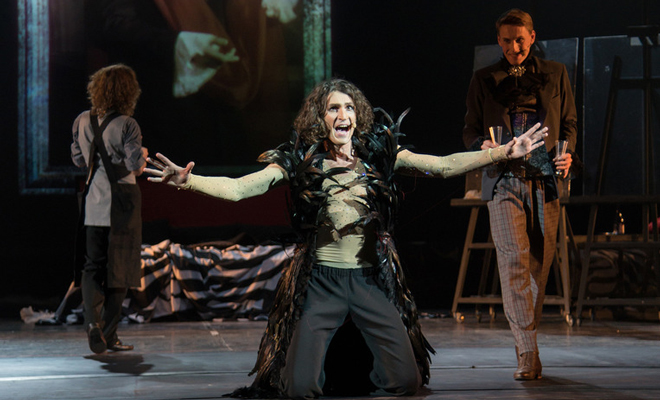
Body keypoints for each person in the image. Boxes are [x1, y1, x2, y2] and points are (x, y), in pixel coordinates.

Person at [146, 78, 547, 398]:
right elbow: (239, 189)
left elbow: (441, 166)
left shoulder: (378, 157)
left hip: (369, 280)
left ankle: (354, 376)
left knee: (406, 382)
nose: (343, 115)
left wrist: (503, 152)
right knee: (299, 388)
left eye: (350, 107)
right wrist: (188, 181)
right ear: (319, 118)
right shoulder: (302, 162)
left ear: (358, 116)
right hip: (322, 283)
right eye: (334, 108)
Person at [462, 9, 578, 380]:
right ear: (499, 41)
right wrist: (481, 145)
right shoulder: (483, 79)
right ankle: (527, 352)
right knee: (514, 262)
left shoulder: (555, 73)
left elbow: (570, 124)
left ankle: (527, 340)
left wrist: (569, 154)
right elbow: (470, 130)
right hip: (503, 179)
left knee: (538, 268)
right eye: (508, 41)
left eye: (520, 40)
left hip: (545, 180)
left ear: (532, 37)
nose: (514, 47)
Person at [71, 64, 148, 354]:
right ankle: (109, 333)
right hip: (122, 203)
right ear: (129, 93)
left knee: (92, 266)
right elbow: (134, 165)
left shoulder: (82, 120)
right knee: (120, 268)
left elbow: (79, 160)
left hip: (93, 202)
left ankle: (93, 324)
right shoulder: (128, 125)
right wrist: (143, 154)